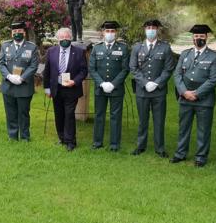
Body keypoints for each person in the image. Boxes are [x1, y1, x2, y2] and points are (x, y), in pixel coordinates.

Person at [171, 24, 216, 167]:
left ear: (206, 37)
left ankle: (201, 157)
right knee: (183, 128)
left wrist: (197, 94)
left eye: (201, 36)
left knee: (203, 130)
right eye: (196, 36)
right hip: (185, 98)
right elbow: (177, 74)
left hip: (204, 100)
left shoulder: (213, 56)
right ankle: (180, 153)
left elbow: (213, 80)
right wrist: (184, 92)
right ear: (193, 38)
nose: (199, 39)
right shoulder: (185, 54)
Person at [130, 19, 175, 157]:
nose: (151, 30)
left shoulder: (165, 48)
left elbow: (168, 69)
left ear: (157, 30)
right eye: (148, 27)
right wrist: (144, 83)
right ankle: (140, 146)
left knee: (159, 120)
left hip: (158, 91)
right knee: (143, 120)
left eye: (153, 28)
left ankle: (160, 148)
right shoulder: (137, 47)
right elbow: (133, 67)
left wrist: (156, 83)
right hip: (142, 91)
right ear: (144, 30)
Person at [43, 27, 88, 151]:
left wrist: (75, 81)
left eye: (66, 37)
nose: (64, 39)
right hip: (56, 89)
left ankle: (70, 141)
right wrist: (47, 88)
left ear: (70, 38)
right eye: (61, 37)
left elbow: (84, 71)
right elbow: (47, 71)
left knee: (69, 114)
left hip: (71, 89)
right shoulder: (51, 51)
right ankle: (61, 138)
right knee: (59, 114)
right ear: (57, 39)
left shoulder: (79, 52)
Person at [88, 21, 129, 151]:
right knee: (99, 115)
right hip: (100, 89)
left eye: (112, 31)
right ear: (103, 32)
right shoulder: (96, 48)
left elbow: (125, 69)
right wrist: (101, 83)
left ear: (116, 33)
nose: (110, 33)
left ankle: (114, 144)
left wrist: (113, 84)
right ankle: (97, 142)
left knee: (115, 116)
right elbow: (92, 69)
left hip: (116, 89)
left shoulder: (123, 48)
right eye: (107, 31)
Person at [0, 21, 39, 141]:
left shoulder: (32, 47)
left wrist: (22, 78)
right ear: (11, 34)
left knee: (24, 113)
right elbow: (0, 64)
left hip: (24, 86)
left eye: (19, 31)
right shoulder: (5, 46)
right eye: (14, 32)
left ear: (24, 33)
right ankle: (12, 136)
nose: (17, 34)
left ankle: (25, 136)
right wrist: (9, 76)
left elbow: (33, 65)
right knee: (10, 112)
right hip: (8, 85)